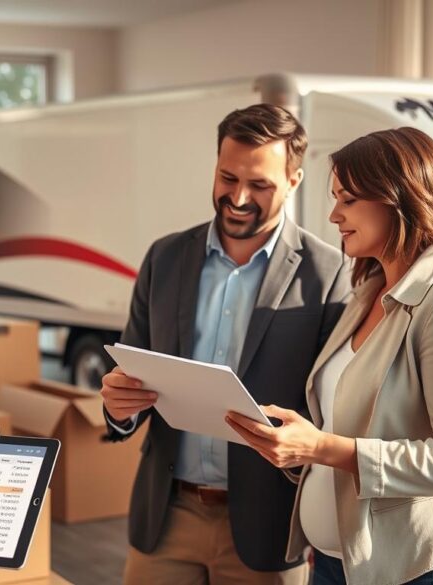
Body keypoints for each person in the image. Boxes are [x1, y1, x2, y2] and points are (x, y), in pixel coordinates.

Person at [226, 127, 433, 585]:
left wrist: (322, 447)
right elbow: (352, 428)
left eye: (349, 200)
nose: (334, 214)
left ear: (400, 200)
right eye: (336, 197)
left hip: (418, 570)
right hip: (337, 563)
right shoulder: (368, 294)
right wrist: (297, 444)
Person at [100, 103, 350, 585]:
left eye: (259, 185)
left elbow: (333, 410)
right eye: (227, 177)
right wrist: (119, 406)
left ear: (294, 181)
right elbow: (129, 372)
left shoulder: (331, 273)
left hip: (267, 529)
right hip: (166, 518)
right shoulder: (165, 257)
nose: (238, 197)